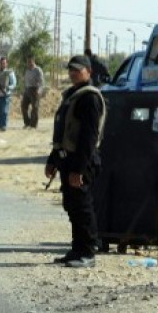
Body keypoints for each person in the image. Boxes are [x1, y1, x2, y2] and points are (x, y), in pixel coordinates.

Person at [45, 55, 106, 268]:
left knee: (82, 206)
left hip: (82, 161)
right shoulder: (72, 95)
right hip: (67, 159)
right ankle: (77, 249)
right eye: (70, 69)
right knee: (72, 205)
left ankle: (88, 252)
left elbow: (89, 137)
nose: (73, 73)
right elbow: (62, 132)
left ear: (88, 71)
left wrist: (79, 169)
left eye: (77, 70)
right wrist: (52, 161)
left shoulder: (89, 98)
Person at [21, 56, 44, 129]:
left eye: (30, 61)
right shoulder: (27, 70)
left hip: (35, 90)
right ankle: (27, 123)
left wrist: (39, 91)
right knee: (23, 106)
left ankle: (33, 125)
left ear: (33, 61)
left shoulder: (38, 70)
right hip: (27, 90)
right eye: (27, 62)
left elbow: (41, 82)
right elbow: (26, 81)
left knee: (35, 108)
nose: (28, 63)